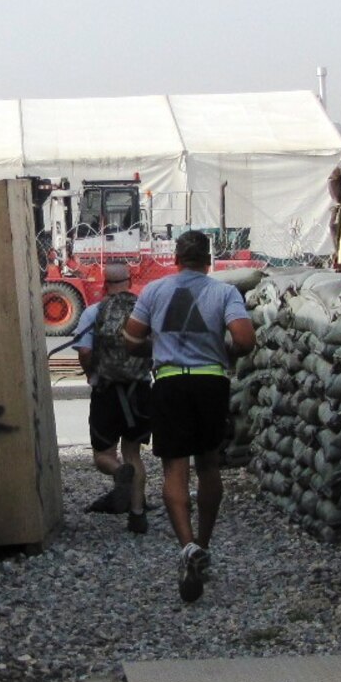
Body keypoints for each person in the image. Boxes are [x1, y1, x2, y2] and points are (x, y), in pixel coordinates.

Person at [121, 230, 255, 602]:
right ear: (208, 261)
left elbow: (130, 338)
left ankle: (186, 547)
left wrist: (154, 346)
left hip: (169, 384)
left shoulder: (153, 292)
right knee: (209, 465)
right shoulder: (225, 293)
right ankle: (205, 544)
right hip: (211, 384)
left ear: (175, 259)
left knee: (174, 469)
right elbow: (244, 340)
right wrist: (222, 353)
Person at [69, 261, 152, 531]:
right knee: (133, 454)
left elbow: (84, 351)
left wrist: (91, 374)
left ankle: (118, 473)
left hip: (106, 390)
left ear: (105, 284)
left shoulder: (93, 312)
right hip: (138, 391)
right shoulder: (143, 310)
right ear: (130, 281)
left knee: (103, 454)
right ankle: (137, 514)